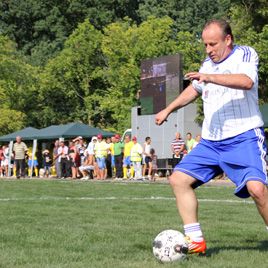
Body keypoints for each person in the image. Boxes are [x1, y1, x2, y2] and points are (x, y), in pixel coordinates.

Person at [155, 19, 268, 255]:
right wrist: (168, 109)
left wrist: (209, 77)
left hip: (244, 137)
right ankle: (196, 241)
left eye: (213, 44)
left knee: (257, 189)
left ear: (228, 40)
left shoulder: (245, 54)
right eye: (205, 45)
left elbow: (246, 82)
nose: (208, 50)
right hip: (211, 143)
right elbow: (193, 89)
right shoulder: (208, 64)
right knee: (178, 180)